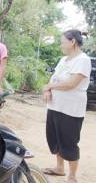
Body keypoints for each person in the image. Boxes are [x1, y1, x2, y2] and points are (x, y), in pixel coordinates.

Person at [42, 30, 90, 183]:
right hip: (55, 106)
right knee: (55, 138)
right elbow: (55, 78)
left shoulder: (83, 60)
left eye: (63, 41)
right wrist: (48, 90)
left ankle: (72, 176)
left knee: (68, 141)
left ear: (73, 42)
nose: (60, 44)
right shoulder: (63, 60)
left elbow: (71, 84)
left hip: (71, 109)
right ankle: (60, 168)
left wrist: (50, 86)